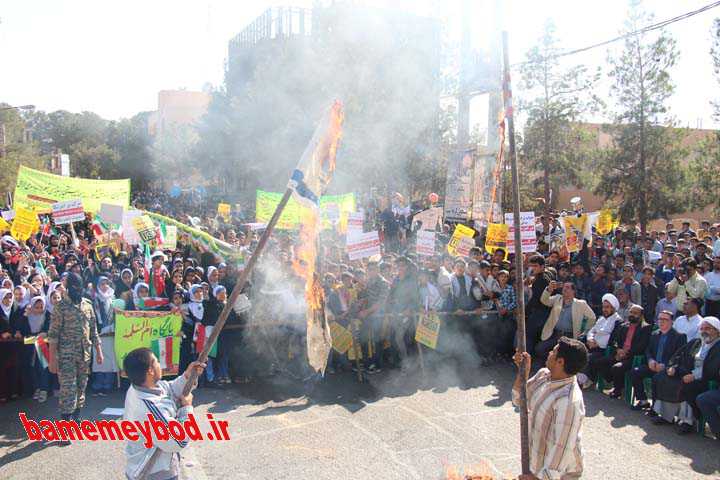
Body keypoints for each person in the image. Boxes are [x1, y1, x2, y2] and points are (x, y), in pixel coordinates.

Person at [123, 347, 206, 480]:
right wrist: (187, 408)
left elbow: (170, 390)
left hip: (148, 466)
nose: (160, 365)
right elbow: (179, 441)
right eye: (156, 361)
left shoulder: (139, 387)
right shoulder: (151, 409)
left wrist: (187, 376)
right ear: (150, 371)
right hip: (154, 472)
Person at [513, 337, 587, 480]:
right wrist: (523, 371)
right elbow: (518, 400)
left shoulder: (568, 401)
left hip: (559, 475)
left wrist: (540, 478)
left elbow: (562, 447)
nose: (549, 353)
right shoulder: (544, 375)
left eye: (553, 352)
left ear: (560, 362)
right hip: (539, 464)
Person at [47, 272, 102, 425]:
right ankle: (65, 425)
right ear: (67, 287)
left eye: (79, 285)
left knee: (81, 387)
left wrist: (99, 352)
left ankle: (76, 418)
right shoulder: (61, 307)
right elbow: (53, 335)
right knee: (67, 390)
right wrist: (52, 359)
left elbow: (93, 330)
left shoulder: (87, 305)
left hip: (85, 354)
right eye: (73, 285)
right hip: (66, 356)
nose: (76, 288)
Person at [652, 317, 720, 433]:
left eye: (708, 328)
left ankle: (687, 421)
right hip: (687, 373)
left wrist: (694, 376)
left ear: (717, 331)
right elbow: (679, 355)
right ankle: (666, 416)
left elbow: (713, 368)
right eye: (702, 328)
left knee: (687, 386)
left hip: (705, 379)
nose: (704, 331)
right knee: (663, 378)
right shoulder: (697, 342)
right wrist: (673, 367)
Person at [585, 304, 651, 398]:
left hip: (633, 357)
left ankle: (618, 389)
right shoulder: (624, 325)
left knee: (617, 368)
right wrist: (618, 350)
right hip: (619, 354)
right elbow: (615, 341)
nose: (632, 315)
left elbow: (642, 346)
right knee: (598, 361)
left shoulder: (645, 328)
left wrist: (626, 352)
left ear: (641, 316)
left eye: (635, 313)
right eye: (631, 312)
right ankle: (613, 381)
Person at [630, 310, 686, 411]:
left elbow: (679, 356)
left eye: (665, 319)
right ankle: (643, 400)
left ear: (671, 322)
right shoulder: (654, 334)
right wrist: (650, 360)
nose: (661, 321)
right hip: (653, 365)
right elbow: (648, 350)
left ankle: (655, 408)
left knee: (657, 378)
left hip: (667, 369)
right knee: (635, 371)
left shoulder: (679, 337)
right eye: (660, 319)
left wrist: (665, 365)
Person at [535, 281, 596, 360]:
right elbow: (544, 300)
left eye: (567, 287)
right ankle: (553, 361)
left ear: (573, 291)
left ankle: (557, 364)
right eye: (564, 287)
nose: (565, 289)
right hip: (554, 334)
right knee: (539, 349)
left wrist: (585, 332)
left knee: (568, 356)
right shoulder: (557, 298)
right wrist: (549, 289)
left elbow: (592, 317)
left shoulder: (581, 304)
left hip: (569, 336)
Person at [577, 293, 621, 389]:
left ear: (613, 308)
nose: (605, 309)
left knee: (589, 357)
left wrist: (598, 343)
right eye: (604, 307)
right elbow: (592, 331)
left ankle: (582, 380)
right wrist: (590, 339)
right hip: (592, 345)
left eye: (608, 307)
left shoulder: (617, 321)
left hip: (604, 350)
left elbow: (612, 338)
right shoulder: (601, 319)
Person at [525, 255, 553, 356]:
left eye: (535, 266)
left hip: (540, 312)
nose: (533, 268)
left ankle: (526, 358)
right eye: (531, 266)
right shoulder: (540, 278)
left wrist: (525, 311)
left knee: (529, 335)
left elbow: (535, 299)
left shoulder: (541, 280)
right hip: (541, 312)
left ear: (542, 267)